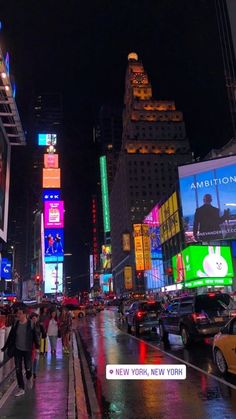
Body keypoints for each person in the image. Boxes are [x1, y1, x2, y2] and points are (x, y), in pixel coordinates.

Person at [1, 307, 39, 397]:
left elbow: (35, 336)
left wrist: (37, 346)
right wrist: (5, 347)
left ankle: (29, 376)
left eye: (20, 313)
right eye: (17, 313)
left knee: (28, 368)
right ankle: (21, 388)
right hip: (17, 349)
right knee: (18, 369)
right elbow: (11, 336)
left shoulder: (31, 324)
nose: (18, 315)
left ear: (25, 314)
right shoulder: (16, 324)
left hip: (27, 350)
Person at [30, 312, 46, 378]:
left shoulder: (39, 325)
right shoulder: (28, 326)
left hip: (37, 344)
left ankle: (34, 372)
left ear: (37, 318)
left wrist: (43, 330)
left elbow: (44, 335)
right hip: (30, 344)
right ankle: (30, 371)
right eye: (33, 318)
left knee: (36, 358)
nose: (34, 319)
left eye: (35, 318)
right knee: (31, 358)